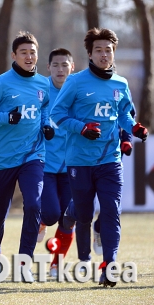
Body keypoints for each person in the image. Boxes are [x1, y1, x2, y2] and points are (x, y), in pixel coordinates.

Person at [53, 28, 148, 287]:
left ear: (113, 52)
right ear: (90, 54)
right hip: (80, 161)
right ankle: (71, 212)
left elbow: (124, 115)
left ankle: (109, 265)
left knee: (111, 211)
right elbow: (57, 114)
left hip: (110, 160)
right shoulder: (75, 82)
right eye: (99, 50)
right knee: (83, 215)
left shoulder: (121, 83)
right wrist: (81, 128)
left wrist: (134, 128)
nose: (104, 54)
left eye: (108, 50)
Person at [0, 31, 53, 283]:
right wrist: (6, 118)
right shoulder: (0, 83)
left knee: (33, 204)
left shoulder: (43, 84)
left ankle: (24, 262)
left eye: (32, 52)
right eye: (24, 52)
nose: (29, 57)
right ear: (14, 56)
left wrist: (47, 125)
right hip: (3, 159)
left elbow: (45, 113)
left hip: (33, 156)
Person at [38, 48, 75, 278]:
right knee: (51, 214)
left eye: (65, 65)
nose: (60, 69)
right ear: (48, 68)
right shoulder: (41, 91)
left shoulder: (80, 92)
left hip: (73, 166)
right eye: (56, 65)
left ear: (72, 67)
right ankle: (42, 221)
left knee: (70, 217)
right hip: (45, 165)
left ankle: (56, 263)